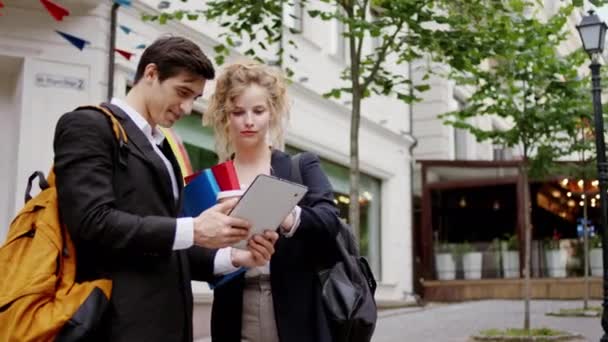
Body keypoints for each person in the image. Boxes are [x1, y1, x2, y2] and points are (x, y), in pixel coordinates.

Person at [53, 36, 279, 342]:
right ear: (150, 74)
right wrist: (193, 229)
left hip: (167, 325)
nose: (187, 107)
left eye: (195, 98)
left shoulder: (163, 148)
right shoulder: (87, 126)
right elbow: (91, 222)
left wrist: (233, 257)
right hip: (116, 325)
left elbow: (168, 247)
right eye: (182, 92)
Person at [203, 61, 342, 342]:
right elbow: (197, 256)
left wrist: (287, 214)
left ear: (273, 112)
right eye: (238, 112)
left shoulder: (300, 165)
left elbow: (330, 222)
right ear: (225, 116)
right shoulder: (214, 181)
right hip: (233, 310)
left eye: (258, 111)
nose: (249, 121)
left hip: (299, 309)